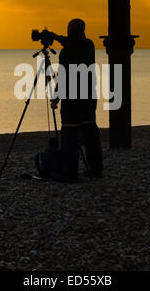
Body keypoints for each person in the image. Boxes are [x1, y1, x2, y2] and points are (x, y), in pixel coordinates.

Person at [50, 18, 103, 182]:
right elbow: (74, 42)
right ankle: (96, 170)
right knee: (90, 134)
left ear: (70, 31)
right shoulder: (89, 46)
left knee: (69, 135)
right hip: (89, 97)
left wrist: (56, 98)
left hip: (72, 100)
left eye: (68, 29)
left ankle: (69, 173)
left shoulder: (66, 52)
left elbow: (63, 77)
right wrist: (56, 37)